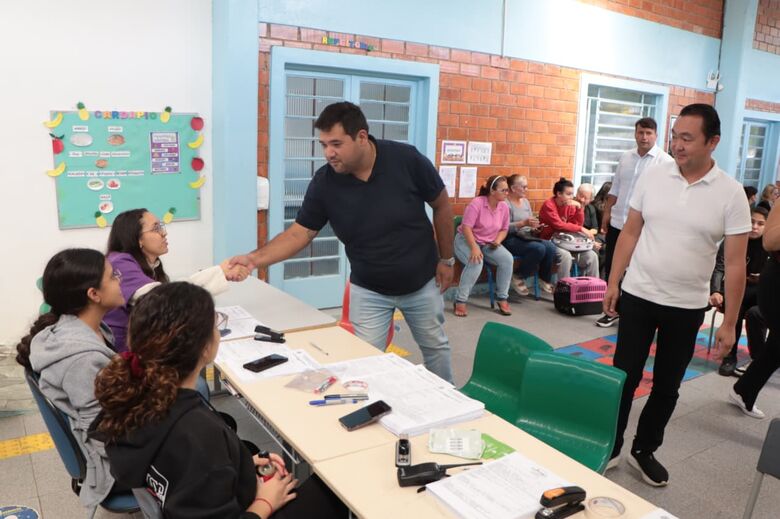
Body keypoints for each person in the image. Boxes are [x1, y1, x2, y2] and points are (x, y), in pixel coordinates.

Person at [228, 102, 455, 383]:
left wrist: (447, 259)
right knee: (365, 361)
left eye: (336, 144)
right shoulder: (325, 182)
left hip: (421, 281)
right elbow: (300, 233)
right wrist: (253, 259)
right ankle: (373, 410)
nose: (328, 153)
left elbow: (442, 206)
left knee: (436, 349)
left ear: (361, 137)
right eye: (323, 144)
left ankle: (452, 405)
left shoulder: (406, 160)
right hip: (368, 289)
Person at [92, 282, 347, 518]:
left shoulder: (135, 395)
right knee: (339, 490)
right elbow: (198, 461)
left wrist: (241, 464)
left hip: (199, 500)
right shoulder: (197, 433)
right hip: (247, 510)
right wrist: (265, 503)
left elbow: (187, 470)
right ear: (205, 347)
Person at [603, 104, 751, 487]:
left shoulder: (731, 194)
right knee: (624, 375)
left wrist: (731, 323)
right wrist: (614, 282)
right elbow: (631, 232)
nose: (678, 145)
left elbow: (735, 264)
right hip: (638, 295)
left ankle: (644, 450)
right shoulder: (654, 175)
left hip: (686, 307)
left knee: (667, 385)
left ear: (712, 141)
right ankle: (611, 444)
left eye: (687, 138)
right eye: (675, 136)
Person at [16, 248, 124, 511]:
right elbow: (103, 434)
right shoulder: (82, 359)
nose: (120, 279)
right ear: (93, 294)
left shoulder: (76, 330)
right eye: (113, 276)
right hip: (113, 468)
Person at [104, 208, 249, 352]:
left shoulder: (148, 265)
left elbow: (168, 293)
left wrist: (220, 272)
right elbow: (163, 299)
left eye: (161, 226)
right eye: (156, 228)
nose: (164, 233)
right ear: (138, 239)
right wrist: (221, 271)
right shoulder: (120, 262)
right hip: (123, 353)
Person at [595, 117, 674, 327]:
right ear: (635, 133)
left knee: (637, 270)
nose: (644, 137)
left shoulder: (665, 162)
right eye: (640, 132)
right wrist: (607, 212)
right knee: (613, 267)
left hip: (643, 227)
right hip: (618, 221)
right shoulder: (626, 157)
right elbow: (616, 187)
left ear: (656, 135)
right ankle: (612, 310)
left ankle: (631, 312)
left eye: (649, 133)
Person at [730, 199, 780, 419]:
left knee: (775, 348)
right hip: (776, 280)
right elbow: (769, 241)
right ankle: (743, 391)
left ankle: (743, 391)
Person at [709, 206, 770, 376]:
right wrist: (716, 290)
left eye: (760, 224)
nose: (754, 227)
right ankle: (729, 356)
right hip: (737, 290)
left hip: (762, 293)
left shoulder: (770, 244)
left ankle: (758, 360)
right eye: (751, 222)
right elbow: (719, 267)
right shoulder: (735, 239)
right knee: (735, 302)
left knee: (754, 313)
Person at [453, 175, 513, 316]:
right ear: (492, 191)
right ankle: (460, 300)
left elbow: (504, 229)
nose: (507, 193)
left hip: (489, 242)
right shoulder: (477, 204)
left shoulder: (504, 207)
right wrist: (474, 248)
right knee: (476, 263)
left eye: (507, 190)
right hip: (466, 240)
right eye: (503, 190)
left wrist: (498, 240)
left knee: (507, 259)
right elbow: (466, 228)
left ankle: (502, 297)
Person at [501, 174, 556, 295]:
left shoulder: (525, 202)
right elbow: (502, 227)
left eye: (527, 187)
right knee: (538, 249)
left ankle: (544, 278)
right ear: (514, 188)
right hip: (509, 238)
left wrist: (535, 228)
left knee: (551, 247)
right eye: (524, 187)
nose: (526, 189)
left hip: (525, 236)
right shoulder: (505, 203)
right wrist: (522, 223)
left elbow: (529, 222)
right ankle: (518, 276)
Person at [538, 177, 599, 278]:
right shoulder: (549, 205)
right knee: (565, 256)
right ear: (558, 194)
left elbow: (577, 224)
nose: (572, 197)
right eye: (568, 194)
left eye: (572, 193)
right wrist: (581, 229)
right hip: (549, 241)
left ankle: (594, 288)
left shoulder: (570, 205)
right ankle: (563, 288)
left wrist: (579, 208)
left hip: (567, 242)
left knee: (592, 256)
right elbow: (559, 225)